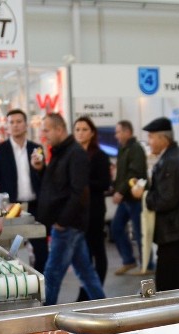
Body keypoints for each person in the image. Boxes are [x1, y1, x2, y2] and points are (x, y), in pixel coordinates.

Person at [32, 112, 106, 305]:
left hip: (67, 226)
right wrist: (40, 169)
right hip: (67, 225)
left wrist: (62, 222)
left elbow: (79, 192)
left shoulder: (76, 154)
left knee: (52, 274)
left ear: (59, 129)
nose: (44, 134)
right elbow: (54, 186)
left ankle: (44, 322)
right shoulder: (60, 152)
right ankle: (105, 308)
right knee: (86, 273)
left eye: (46, 130)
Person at [133, 117, 179, 291]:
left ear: (162, 138)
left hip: (175, 231)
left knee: (167, 284)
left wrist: (142, 195)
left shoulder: (171, 161)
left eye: (151, 137)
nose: (149, 142)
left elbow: (166, 200)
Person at [0, 108, 48, 273]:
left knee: (42, 251)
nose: (15, 125)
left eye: (19, 121)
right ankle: (19, 281)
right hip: (11, 209)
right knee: (12, 251)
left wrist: (41, 168)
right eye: (11, 122)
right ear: (7, 126)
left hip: (35, 207)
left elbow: (45, 178)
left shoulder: (36, 149)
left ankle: (38, 280)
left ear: (26, 125)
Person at [73, 115, 111, 300]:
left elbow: (105, 183)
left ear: (92, 132)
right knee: (83, 254)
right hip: (78, 212)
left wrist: (82, 183)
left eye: (84, 129)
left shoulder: (100, 155)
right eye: (78, 129)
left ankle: (97, 291)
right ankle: (87, 291)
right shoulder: (72, 154)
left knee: (97, 250)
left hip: (95, 210)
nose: (80, 133)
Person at [110, 120, 149, 275]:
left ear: (127, 132)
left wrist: (120, 191)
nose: (116, 135)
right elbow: (123, 173)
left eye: (118, 132)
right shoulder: (123, 149)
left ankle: (147, 265)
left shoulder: (136, 149)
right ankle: (129, 261)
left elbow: (134, 174)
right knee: (116, 228)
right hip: (126, 198)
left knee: (140, 233)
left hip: (135, 199)